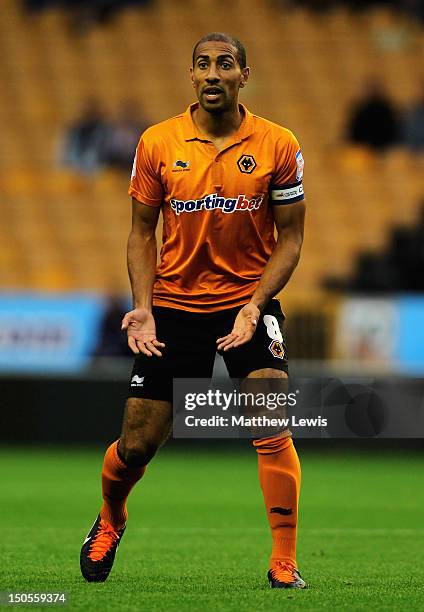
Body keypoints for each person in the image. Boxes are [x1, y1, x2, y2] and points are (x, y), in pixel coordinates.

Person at [80, 32, 306, 589]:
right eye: (201, 64)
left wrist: (256, 307)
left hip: (245, 305)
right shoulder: (158, 142)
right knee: (136, 444)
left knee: (271, 418)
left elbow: (292, 238)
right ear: (191, 76)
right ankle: (110, 518)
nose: (212, 74)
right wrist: (143, 307)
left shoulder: (278, 144)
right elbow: (140, 232)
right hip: (175, 308)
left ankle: (284, 562)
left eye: (224, 64)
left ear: (243, 75)